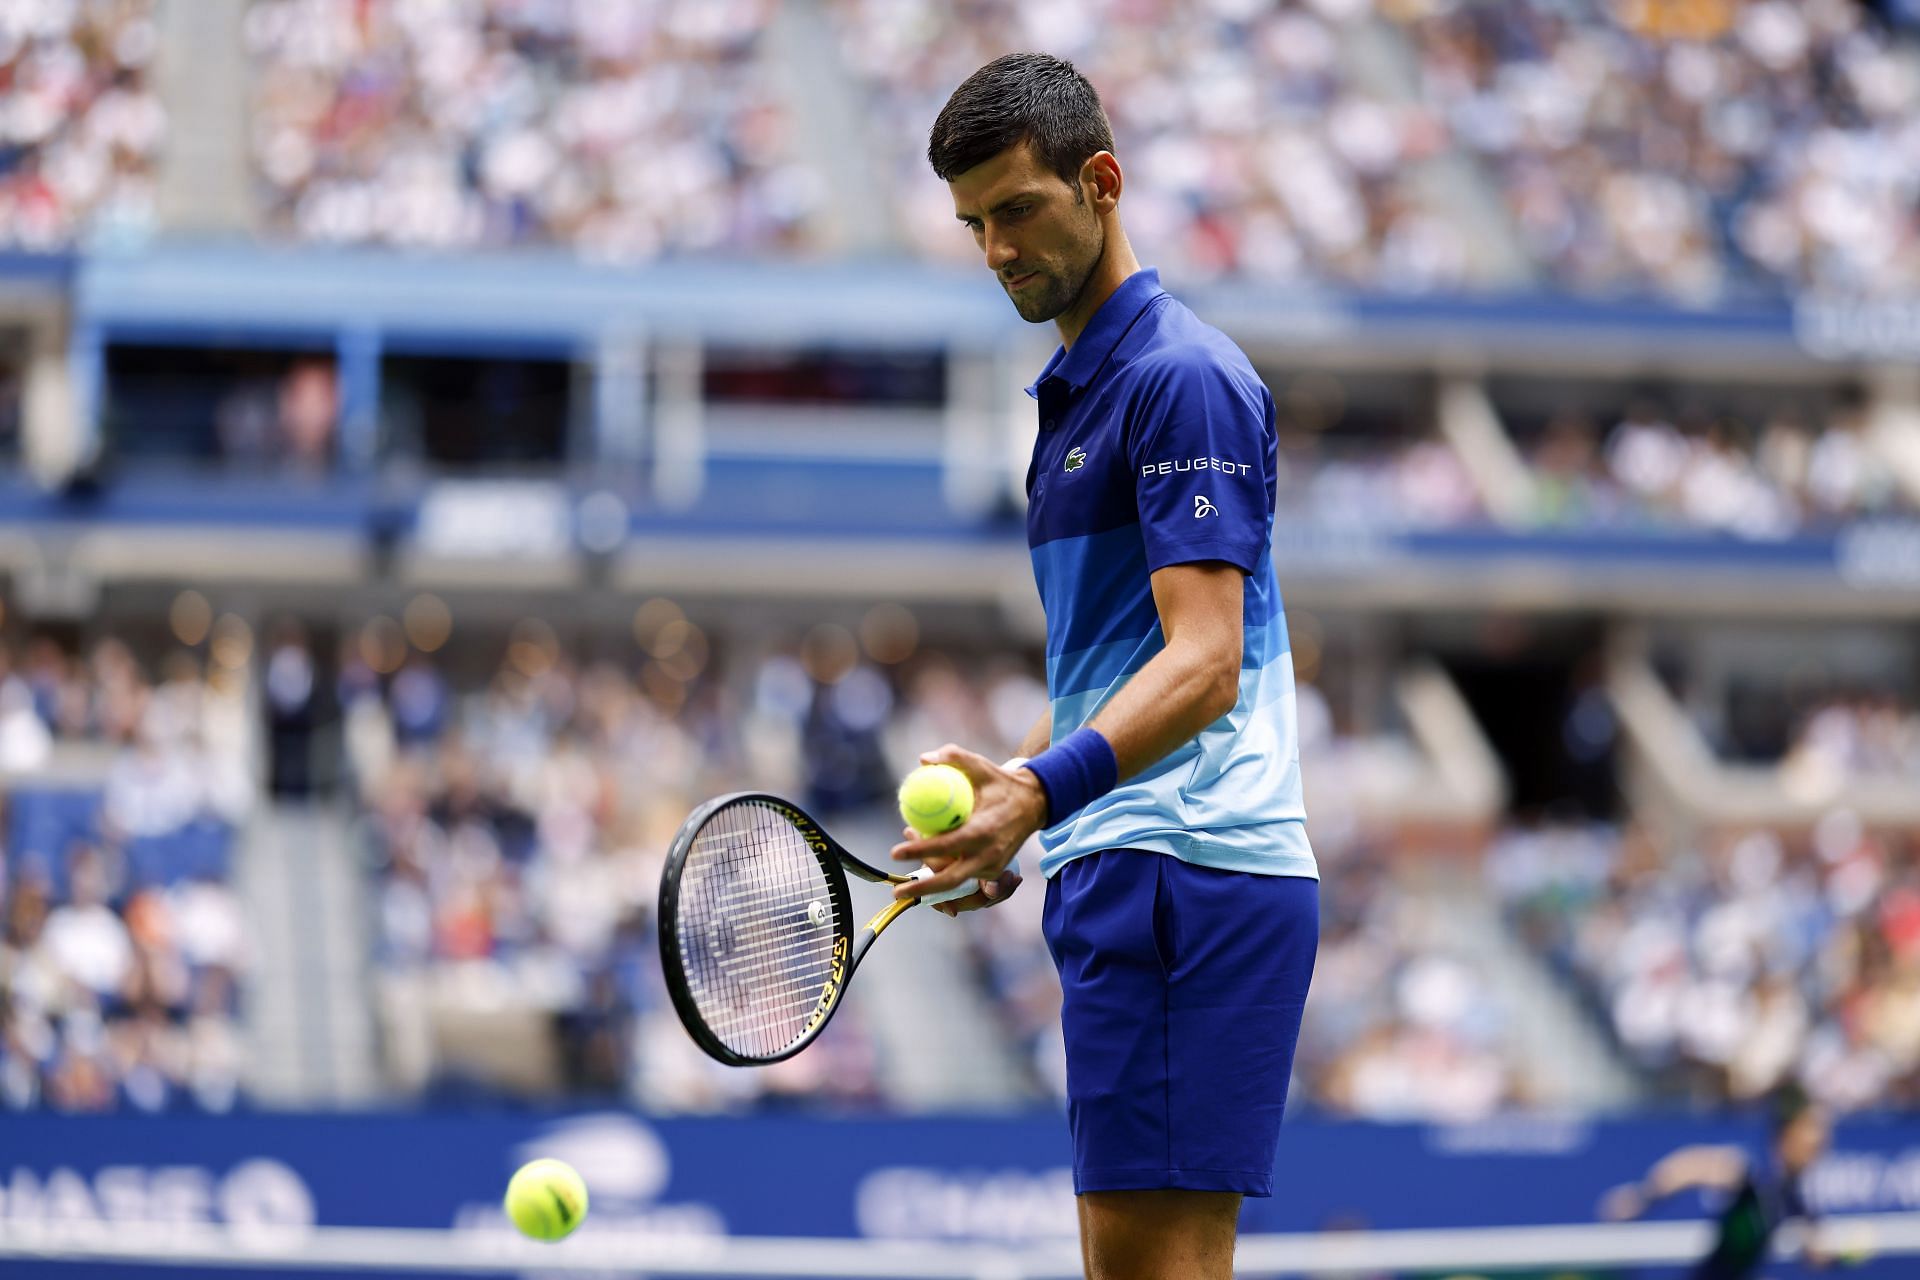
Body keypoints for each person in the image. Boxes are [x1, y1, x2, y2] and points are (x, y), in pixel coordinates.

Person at [888, 53, 1319, 1280]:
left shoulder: (1177, 380)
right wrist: (1023, 807)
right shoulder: (1079, 396)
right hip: (1143, 861)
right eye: (973, 224)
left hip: (1185, 865)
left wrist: (1042, 788)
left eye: (1017, 210)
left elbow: (1207, 663)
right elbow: (1121, 669)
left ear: (1103, 181)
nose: (994, 250)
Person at [1601, 1086, 1836, 1278]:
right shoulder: (1755, 1170)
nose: (1819, 1148)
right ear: (1788, 1133)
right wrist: (1643, 1196)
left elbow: (1812, 1238)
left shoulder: (1791, 1191)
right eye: (1812, 1142)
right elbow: (1693, 1166)